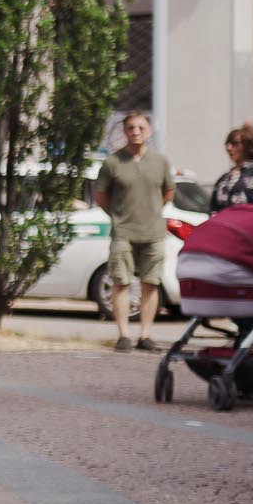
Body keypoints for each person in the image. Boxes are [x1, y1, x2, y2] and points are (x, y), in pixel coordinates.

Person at [93, 111, 173, 352]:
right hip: (123, 232)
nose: (136, 132)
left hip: (153, 232)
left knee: (151, 282)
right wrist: (118, 216)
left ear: (149, 131)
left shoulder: (160, 161)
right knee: (121, 281)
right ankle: (124, 335)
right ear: (125, 131)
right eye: (130, 128)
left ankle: (145, 335)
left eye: (140, 127)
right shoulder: (113, 162)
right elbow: (101, 196)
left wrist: (151, 212)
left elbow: (168, 192)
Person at [209, 126, 253, 212]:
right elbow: (214, 208)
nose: (229, 148)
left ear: (248, 146)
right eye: (227, 144)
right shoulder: (224, 178)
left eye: (235, 143)